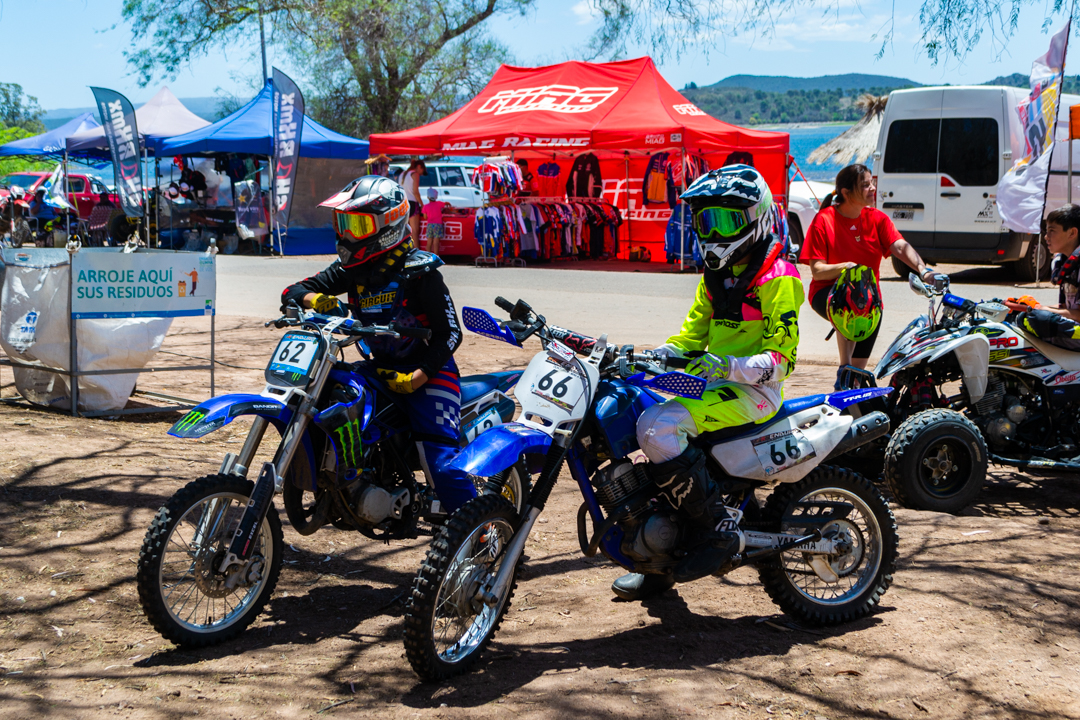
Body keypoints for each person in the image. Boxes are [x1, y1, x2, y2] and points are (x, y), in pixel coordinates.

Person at [612, 164, 803, 601]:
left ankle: (712, 529)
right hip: (710, 387)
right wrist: (653, 354)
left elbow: (781, 360)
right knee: (629, 411)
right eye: (705, 220)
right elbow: (690, 337)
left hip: (755, 394)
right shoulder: (714, 278)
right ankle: (655, 559)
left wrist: (728, 366)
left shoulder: (780, 279)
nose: (714, 232)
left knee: (658, 429)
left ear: (755, 218)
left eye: (726, 220)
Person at [280, 176, 474, 513]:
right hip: (379, 368)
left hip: (429, 374)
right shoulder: (353, 269)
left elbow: (451, 333)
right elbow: (292, 292)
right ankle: (355, 481)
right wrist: (318, 300)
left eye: (356, 223)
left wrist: (419, 375)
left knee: (440, 462)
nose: (347, 233)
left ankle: (483, 534)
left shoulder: (420, 272)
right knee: (332, 392)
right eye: (343, 223)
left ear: (387, 224)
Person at [800, 163, 938, 373]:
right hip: (826, 293)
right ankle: (843, 368)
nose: (872, 188)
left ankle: (850, 381)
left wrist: (923, 269)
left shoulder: (877, 219)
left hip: (869, 301)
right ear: (846, 193)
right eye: (865, 185)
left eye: (872, 183)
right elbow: (818, 270)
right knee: (851, 301)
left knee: (859, 372)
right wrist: (846, 267)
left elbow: (900, 246)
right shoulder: (824, 220)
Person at [1005, 204, 1080, 349]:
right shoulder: (1066, 263)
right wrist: (1024, 307)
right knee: (1020, 316)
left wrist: (1040, 309)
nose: (1046, 237)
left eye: (1052, 231)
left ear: (1072, 233)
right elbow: (1067, 308)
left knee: (1039, 319)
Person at [401, 159, 426, 246]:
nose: (421, 174)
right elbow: (416, 192)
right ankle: (416, 253)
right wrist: (422, 205)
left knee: (406, 232)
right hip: (412, 203)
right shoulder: (414, 174)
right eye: (422, 171)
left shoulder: (402, 174)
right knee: (414, 232)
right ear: (419, 167)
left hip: (403, 204)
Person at [422, 187, 447, 256]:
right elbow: (447, 205)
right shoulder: (439, 203)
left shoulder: (425, 206)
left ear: (428, 197)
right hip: (438, 224)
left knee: (429, 241)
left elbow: (425, 217)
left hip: (430, 224)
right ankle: (436, 256)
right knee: (436, 242)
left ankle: (428, 256)